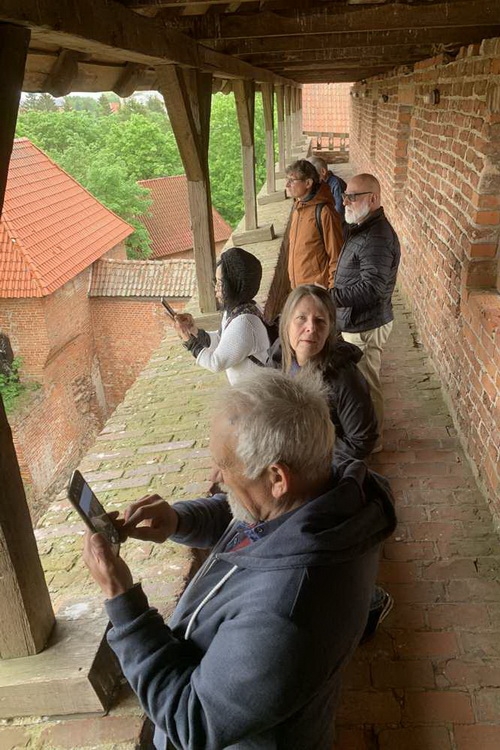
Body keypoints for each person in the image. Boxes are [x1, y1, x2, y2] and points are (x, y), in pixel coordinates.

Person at [83, 370, 396, 750]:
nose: (216, 477)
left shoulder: (283, 614)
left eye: (224, 465)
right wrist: (179, 520)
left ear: (277, 477)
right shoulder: (328, 495)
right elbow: (248, 517)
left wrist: (123, 603)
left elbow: (192, 721)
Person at [269, 284, 378, 465]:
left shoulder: (344, 377)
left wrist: (307, 451)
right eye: (301, 318)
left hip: (326, 467)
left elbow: (361, 441)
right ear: (286, 322)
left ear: (330, 329)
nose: (311, 328)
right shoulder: (277, 359)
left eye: (320, 321)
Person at [332, 173, 401, 449]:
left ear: (372, 199)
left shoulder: (377, 237)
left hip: (367, 324)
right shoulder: (363, 227)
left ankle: (374, 441)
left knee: (367, 386)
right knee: (360, 383)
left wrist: (330, 297)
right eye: (345, 195)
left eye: (352, 197)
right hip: (357, 321)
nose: (345, 201)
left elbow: (372, 289)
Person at [172, 246, 269, 385]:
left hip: (259, 394)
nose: (216, 289)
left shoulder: (244, 322)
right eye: (216, 282)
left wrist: (189, 340)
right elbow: (221, 340)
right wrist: (193, 330)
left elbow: (216, 363)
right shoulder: (238, 309)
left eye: (221, 284)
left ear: (235, 285)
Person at [285, 159, 343, 290]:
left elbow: (336, 257)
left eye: (292, 180)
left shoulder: (324, 212)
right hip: (300, 290)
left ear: (308, 183)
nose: (287, 185)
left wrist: (332, 291)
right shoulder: (298, 208)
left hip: (318, 291)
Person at [307, 155, 347, 223]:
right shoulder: (318, 184)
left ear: (323, 171)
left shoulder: (336, 184)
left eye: (313, 176)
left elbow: (339, 211)